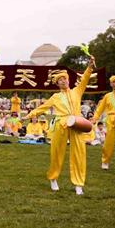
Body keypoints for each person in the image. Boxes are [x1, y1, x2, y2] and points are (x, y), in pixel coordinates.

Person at [23, 56, 95, 195]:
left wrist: (90, 66)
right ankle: (53, 178)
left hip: (77, 124)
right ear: (57, 83)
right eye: (60, 80)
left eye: (65, 79)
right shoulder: (55, 97)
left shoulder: (77, 91)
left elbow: (85, 79)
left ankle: (78, 184)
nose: (63, 81)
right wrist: (30, 115)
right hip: (61, 125)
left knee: (79, 153)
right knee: (57, 153)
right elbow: (42, 108)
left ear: (69, 80)